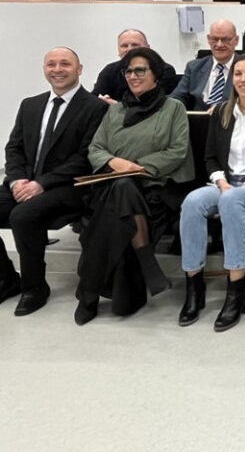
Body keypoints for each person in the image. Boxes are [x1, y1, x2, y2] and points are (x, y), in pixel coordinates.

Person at [75, 47, 195, 325]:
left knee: (120, 197)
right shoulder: (116, 110)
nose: (133, 76)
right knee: (121, 188)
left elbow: (177, 151)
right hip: (110, 184)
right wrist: (114, 162)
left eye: (140, 70)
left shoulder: (173, 108)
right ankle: (146, 262)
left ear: (156, 75)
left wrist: (138, 167)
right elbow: (96, 148)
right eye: (128, 71)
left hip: (153, 186)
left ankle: (88, 294)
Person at [177, 54, 245, 331]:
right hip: (225, 185)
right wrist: (221, 181)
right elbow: (210, 157)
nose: (243, 79)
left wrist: (244, 186)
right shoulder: (221, 112)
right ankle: (194, 287)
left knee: (231, 200)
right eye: (238, 74)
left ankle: (236, 289)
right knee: (192, 202)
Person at [0, 47, 106, 315]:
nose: (57, 69)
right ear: (44, 69)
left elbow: (85, 157)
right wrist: (16, 180)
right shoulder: (30, 105)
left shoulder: (95, 108)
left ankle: (34, 287)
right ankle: (6, 279)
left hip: (69, 187)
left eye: (65, 64)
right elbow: (14, 148)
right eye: (51, 64)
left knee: (23, 215)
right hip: (25, 181)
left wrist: (41, 184)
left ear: (79, 69)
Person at [92, 29, 177, 104]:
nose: (129, 49)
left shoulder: (164, 70)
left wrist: (117, 106)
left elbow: (154, 100)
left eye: (135, 45)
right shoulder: (110, 70)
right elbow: (96, 98)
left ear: (148, 48)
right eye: (124, 46)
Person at [170, 19, 239, 111]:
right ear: (208, 39)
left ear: (236, 40)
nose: (219, 44)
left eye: (225, 39)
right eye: (214, 39)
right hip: (199, 118)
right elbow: (177, 97)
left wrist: (221, 109)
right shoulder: (194, 67)